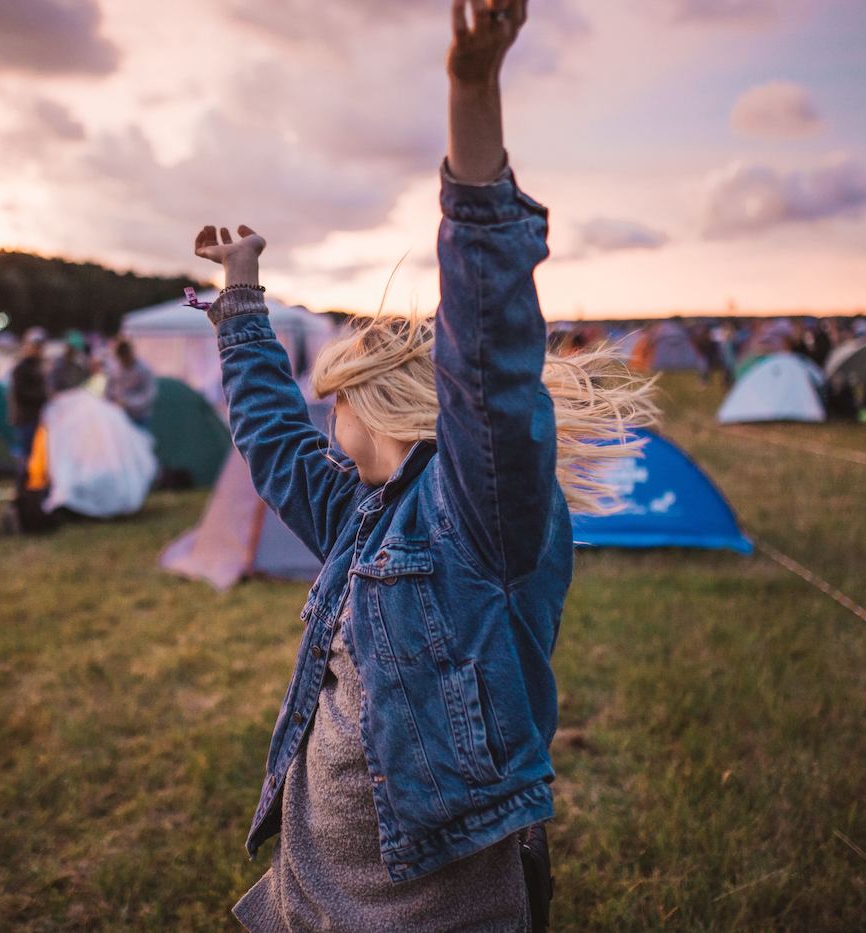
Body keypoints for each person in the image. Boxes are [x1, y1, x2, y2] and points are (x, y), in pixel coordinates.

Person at [195, 3, 657, 929]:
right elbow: (271, 441)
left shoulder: (477, 516)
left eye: (338, 394)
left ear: (386, 401)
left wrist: (472, 95)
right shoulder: (363, 513)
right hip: (312, 898)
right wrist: (242, 302)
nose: (326, 416)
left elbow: (488, 345)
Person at [9, 328, 48, 464]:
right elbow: (21, 393)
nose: (38, 350)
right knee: (26, 453)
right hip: (25, 418)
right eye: (35, 346)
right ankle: (23, 482)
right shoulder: (21, 368)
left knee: (35, 453)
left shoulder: (38, 366)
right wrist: (44, 396)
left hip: (37, 417)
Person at [105, 338, 157, 426]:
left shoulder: (143, 369)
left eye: (126, 356)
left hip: (138, 416)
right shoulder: (115, 369)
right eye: (122, 357)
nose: (124, 360)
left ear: (131, 353)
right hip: (119, 416)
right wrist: (112, 403)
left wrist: (128, 402)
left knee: (140, 439)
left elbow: (149, 395)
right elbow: (109, 391)